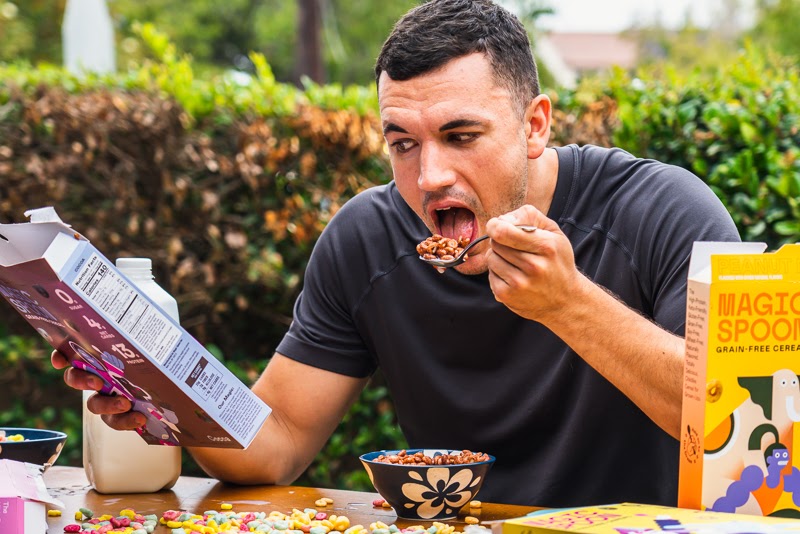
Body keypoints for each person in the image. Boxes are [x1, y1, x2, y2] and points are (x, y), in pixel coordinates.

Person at [53, 0, 741, 508]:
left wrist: (570, 307)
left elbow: (732, 429)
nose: (430, 175)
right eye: (402, 143)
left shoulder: (662, 211)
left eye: (461, 135)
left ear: (535, 125)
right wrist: (163, 392)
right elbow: (279, 439)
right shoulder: (368, 238)